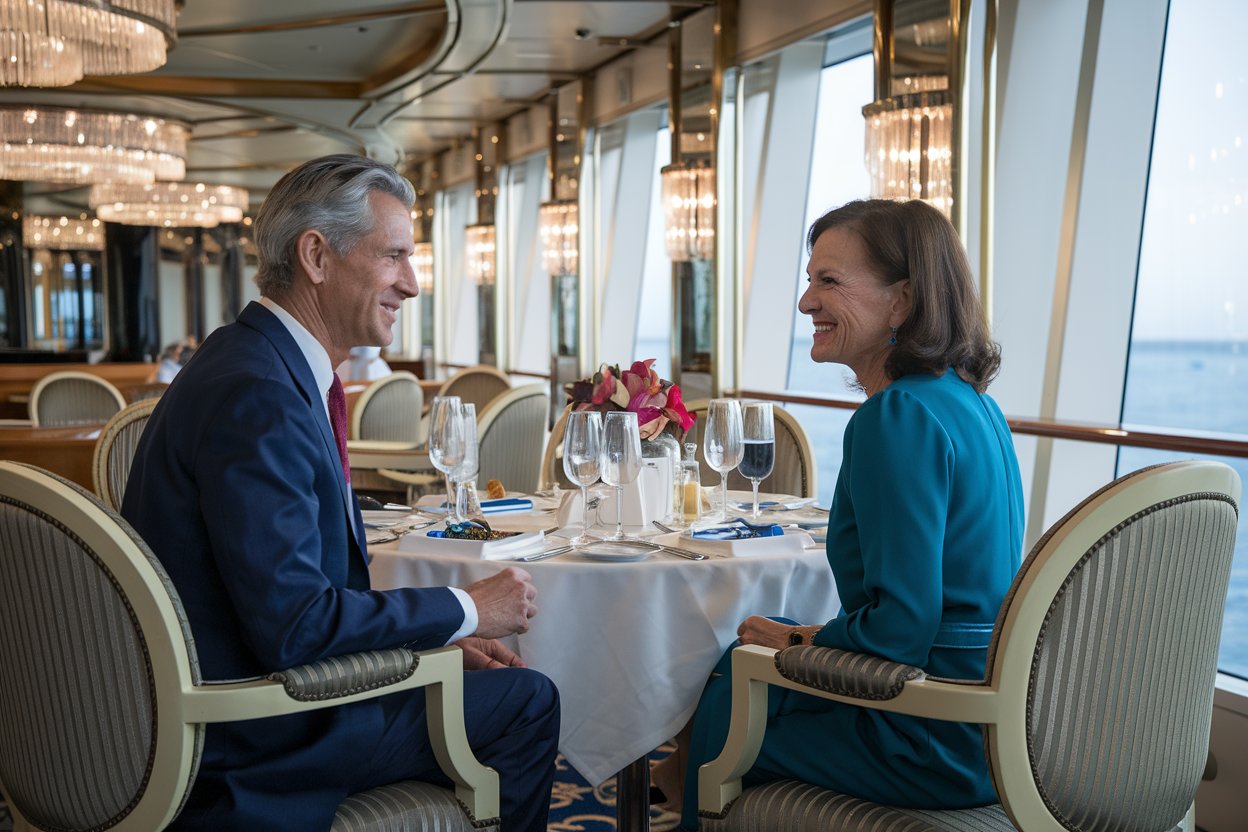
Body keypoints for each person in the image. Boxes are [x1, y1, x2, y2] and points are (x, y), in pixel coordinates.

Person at [123, 154, 560, 831]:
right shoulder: (259, 394)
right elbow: (297, 627)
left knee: (491, 685)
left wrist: (424, 653)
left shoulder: (252, 361)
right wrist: (466, 608)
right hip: (255, 738)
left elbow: (282, 598)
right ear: (317, 256)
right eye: (394, 257)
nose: (411, 284)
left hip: (243, 696)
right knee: (529, 700)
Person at [664, 198, 1025, 829]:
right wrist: (797, 634)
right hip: (993, 723)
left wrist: (803, 638)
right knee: (748, 649)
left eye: (829, 282)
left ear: (902, 302)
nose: (806, 303)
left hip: (927, 736)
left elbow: (899, 630)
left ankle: (691, 790)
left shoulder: (896, 417)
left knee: (727, 701)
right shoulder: (971, 404)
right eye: (809, 281)